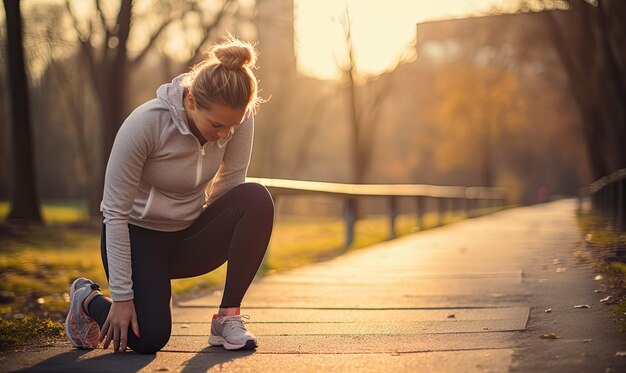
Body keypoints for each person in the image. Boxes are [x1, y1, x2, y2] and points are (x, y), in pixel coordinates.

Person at [64, 37, 274, 354]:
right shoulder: (147, 124)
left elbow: (230, 184)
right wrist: (121, 297)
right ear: (190, 101)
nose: (224, 135)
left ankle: (226, 318)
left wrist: (225, 230)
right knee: (147, 337)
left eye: (232, 126)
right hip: (138, 236)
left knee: (256, 198)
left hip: (186, 235)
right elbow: (116, 214)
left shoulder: (236, 118)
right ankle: (87, 300)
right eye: (217, 125)